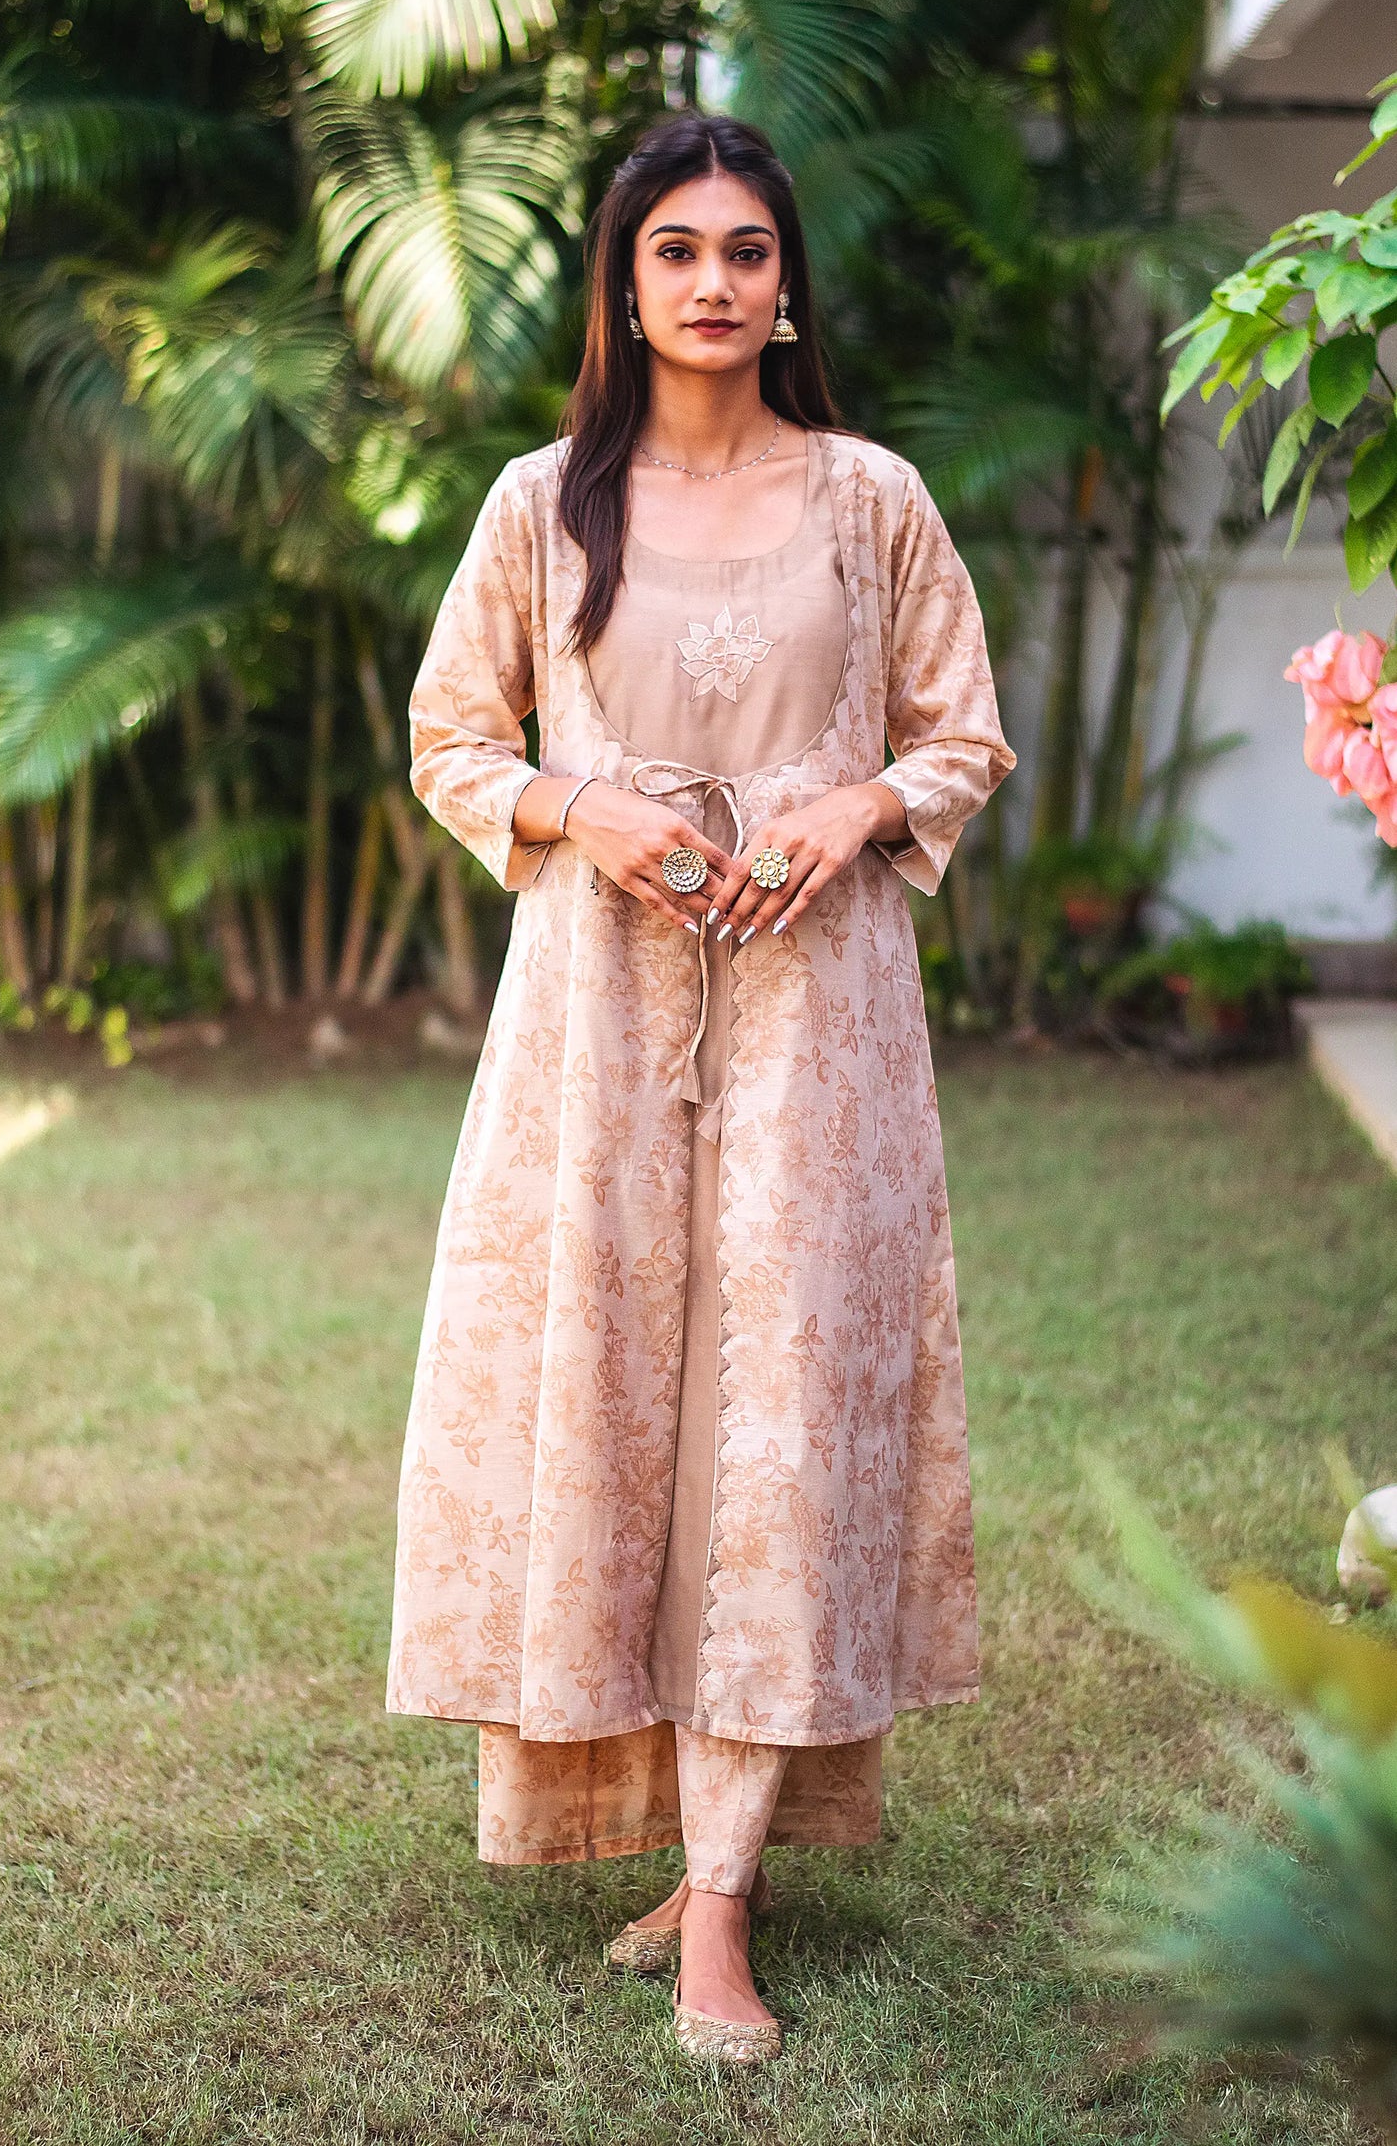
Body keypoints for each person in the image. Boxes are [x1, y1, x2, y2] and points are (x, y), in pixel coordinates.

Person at [385, 111, 1017, 2066]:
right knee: (625, 1416)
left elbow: (961, 735)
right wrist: (588, 812)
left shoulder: (873, 500)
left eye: (748, 248)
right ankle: (669, 1839)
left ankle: (724, 1900)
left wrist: (855, 804)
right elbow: (449, 735)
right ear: (626, 280)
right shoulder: (539, 504)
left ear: (787, 280)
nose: (718, 281)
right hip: (595, 1027)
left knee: (778, 1431)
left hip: (820, 1034)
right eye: (679, 250)